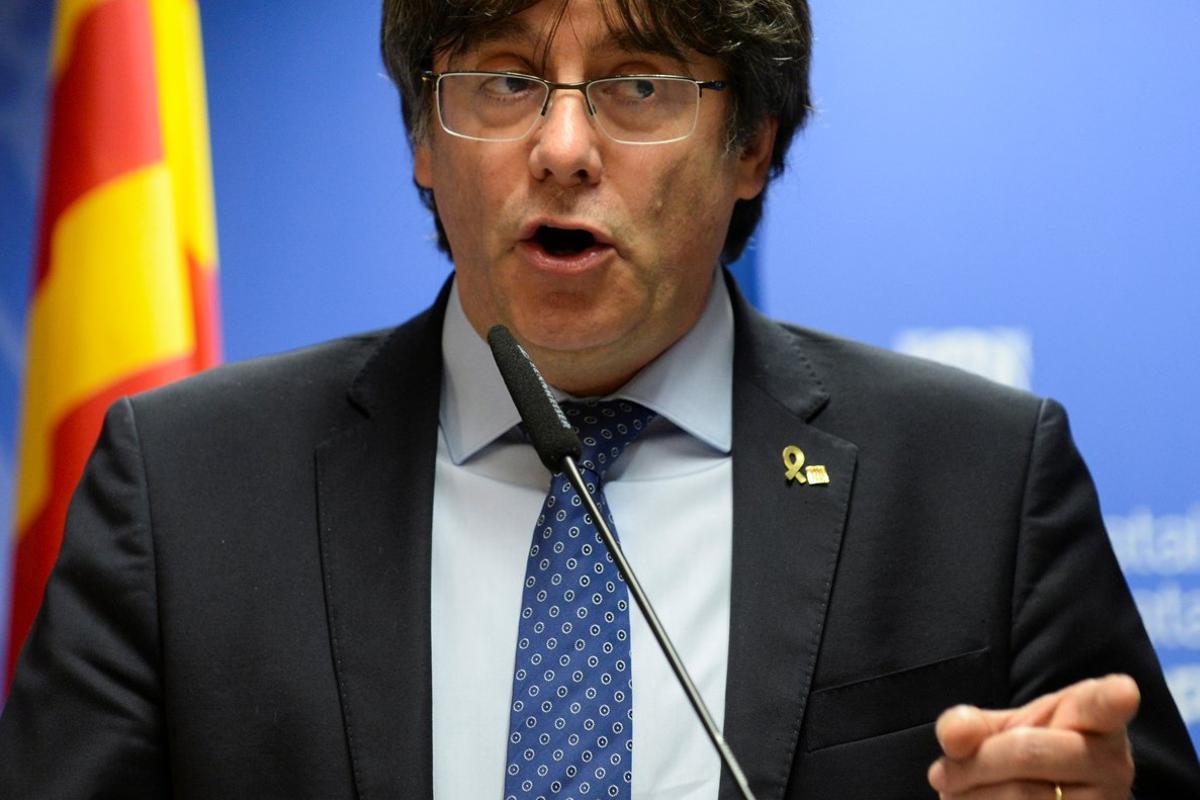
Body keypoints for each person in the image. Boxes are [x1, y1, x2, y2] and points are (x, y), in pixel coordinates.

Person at [1, 0, 1198, 797]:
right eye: (509, 80)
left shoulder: (979, 480)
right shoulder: (184, 484)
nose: (563, 146)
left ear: (754, 143)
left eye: (637, 86)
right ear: (424, 136)